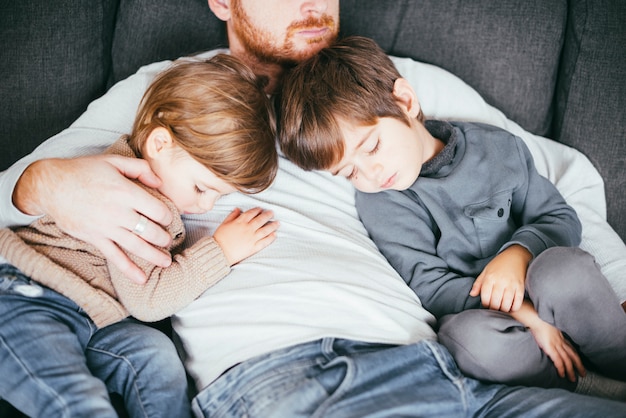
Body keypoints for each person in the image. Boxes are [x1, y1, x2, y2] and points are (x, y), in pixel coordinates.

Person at [1, 0, 626, 416]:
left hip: (457, 365)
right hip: (298, 376)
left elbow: (553, 172)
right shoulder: (165, 93)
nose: (313, 4)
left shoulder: (388, 80)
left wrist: (609, 294)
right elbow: (13, 196)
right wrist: (46, 184)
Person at [278, 35, 626, 401]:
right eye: (348, 172)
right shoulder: (381, 203)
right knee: (467, 343)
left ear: (405, 102)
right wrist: (528, 316)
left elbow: (559, 217)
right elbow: (432, 287)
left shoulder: (497, 147)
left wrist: (519, 253)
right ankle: (588, 386)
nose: (371, 174)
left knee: (563, 270)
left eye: (372, 147)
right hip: (495, 320)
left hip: (549, 284)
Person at [0, 55, 279, 417]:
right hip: (25, 296)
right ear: (161, 144)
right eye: (201, 188)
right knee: (76, 401)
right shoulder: (140, 201)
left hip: (90, 314)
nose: (205, 205)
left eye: (218, 197)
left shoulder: (150, 177)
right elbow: (148, 301)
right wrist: (221, 252)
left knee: (155, 356)